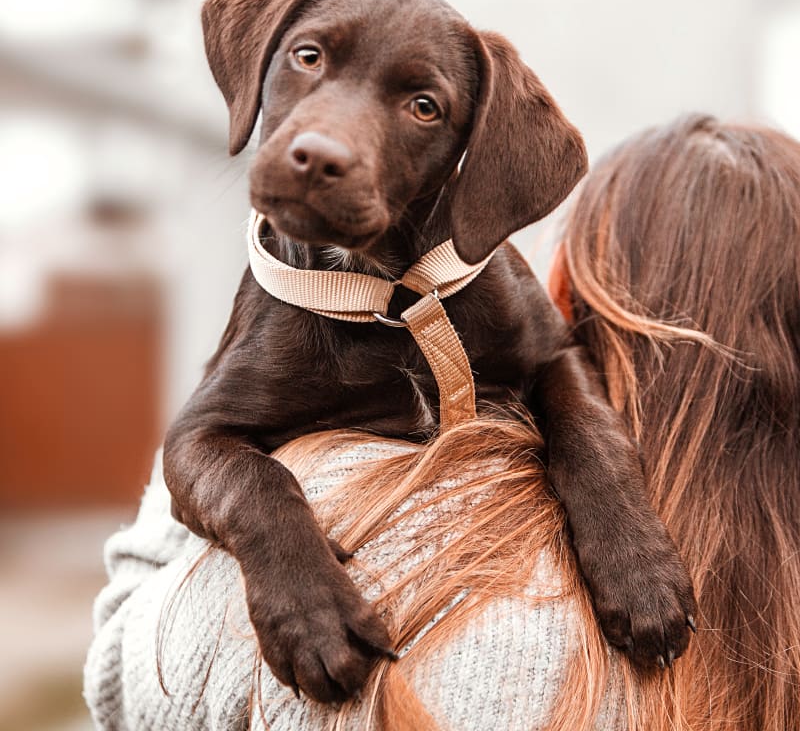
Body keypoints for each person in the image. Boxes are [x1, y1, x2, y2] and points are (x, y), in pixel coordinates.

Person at [84, 115, 800, 730]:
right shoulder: (770, 619)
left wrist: (212, 415)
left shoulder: (362, 521)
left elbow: (122, 676)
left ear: (569, 294)